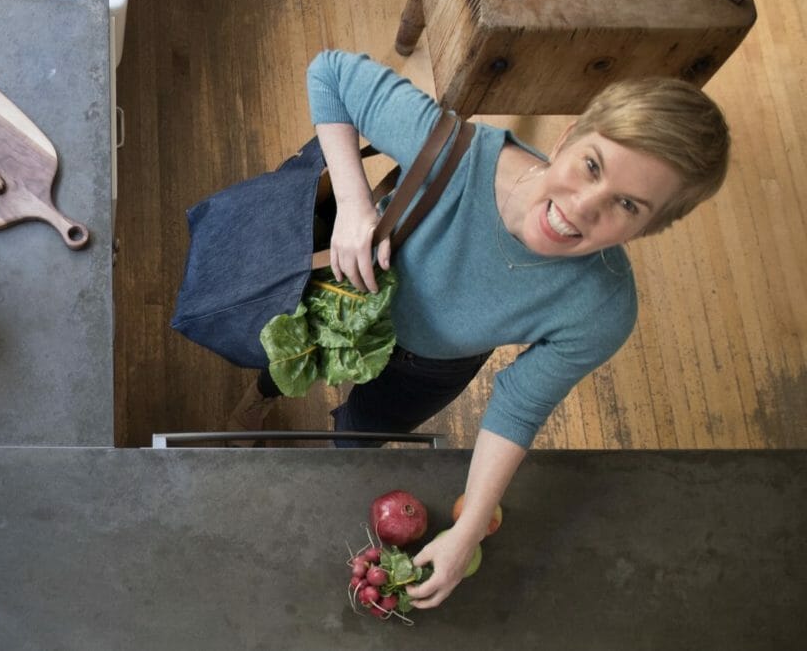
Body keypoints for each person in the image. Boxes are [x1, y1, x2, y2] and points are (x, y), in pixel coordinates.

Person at [228, 49, 730, 608]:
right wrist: (350, 202)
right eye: (592, 165)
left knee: (363, 431)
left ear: (651, 228)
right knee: (286, 363)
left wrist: (465, 534)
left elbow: (518, 405)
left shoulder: (601, 308)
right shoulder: (452, 154)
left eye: (628, 205)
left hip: (433, 365)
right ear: (566, 139)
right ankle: (257, 401)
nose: (584, 206)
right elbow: (327, 72)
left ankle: (332, 455)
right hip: (347, 298)